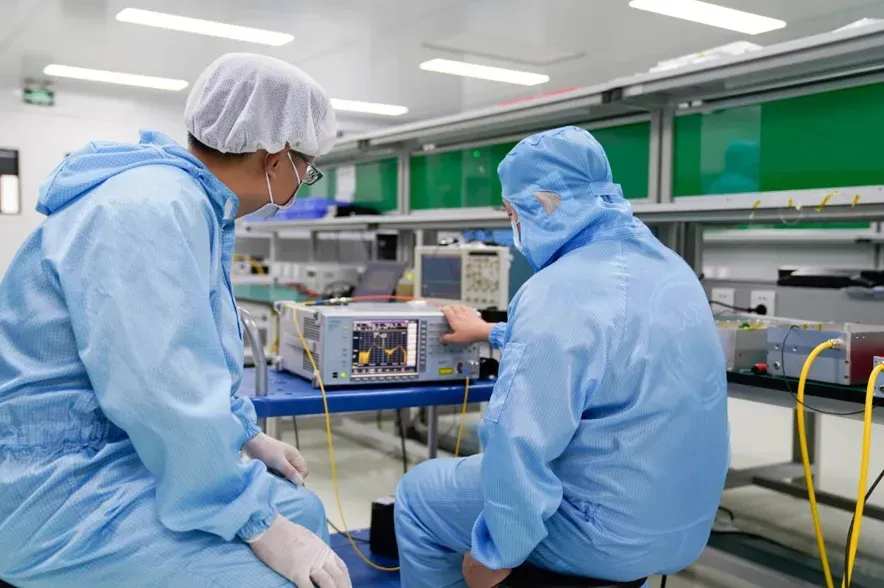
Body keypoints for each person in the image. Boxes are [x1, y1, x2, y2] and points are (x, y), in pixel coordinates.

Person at [0, 53, 351, 588]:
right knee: (284, 577)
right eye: (308, 167)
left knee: (303, 512)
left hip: (108, 447)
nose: (304, 180)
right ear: (277, 159)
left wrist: (246, 434)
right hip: (53, 484)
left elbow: (190, 351)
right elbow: (160, 388)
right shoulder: (152, 208)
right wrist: (256, 521)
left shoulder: (182, 199)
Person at [394, 126, 730, 588]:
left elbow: (518, 441)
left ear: (542, 205)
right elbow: (605, 345)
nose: (515, 227)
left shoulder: (557, 289)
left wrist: (495, 556)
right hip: (683, 528)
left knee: (417, 493)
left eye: (511, 213)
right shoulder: (672, 269)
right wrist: (491, 331)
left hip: (601, 535)